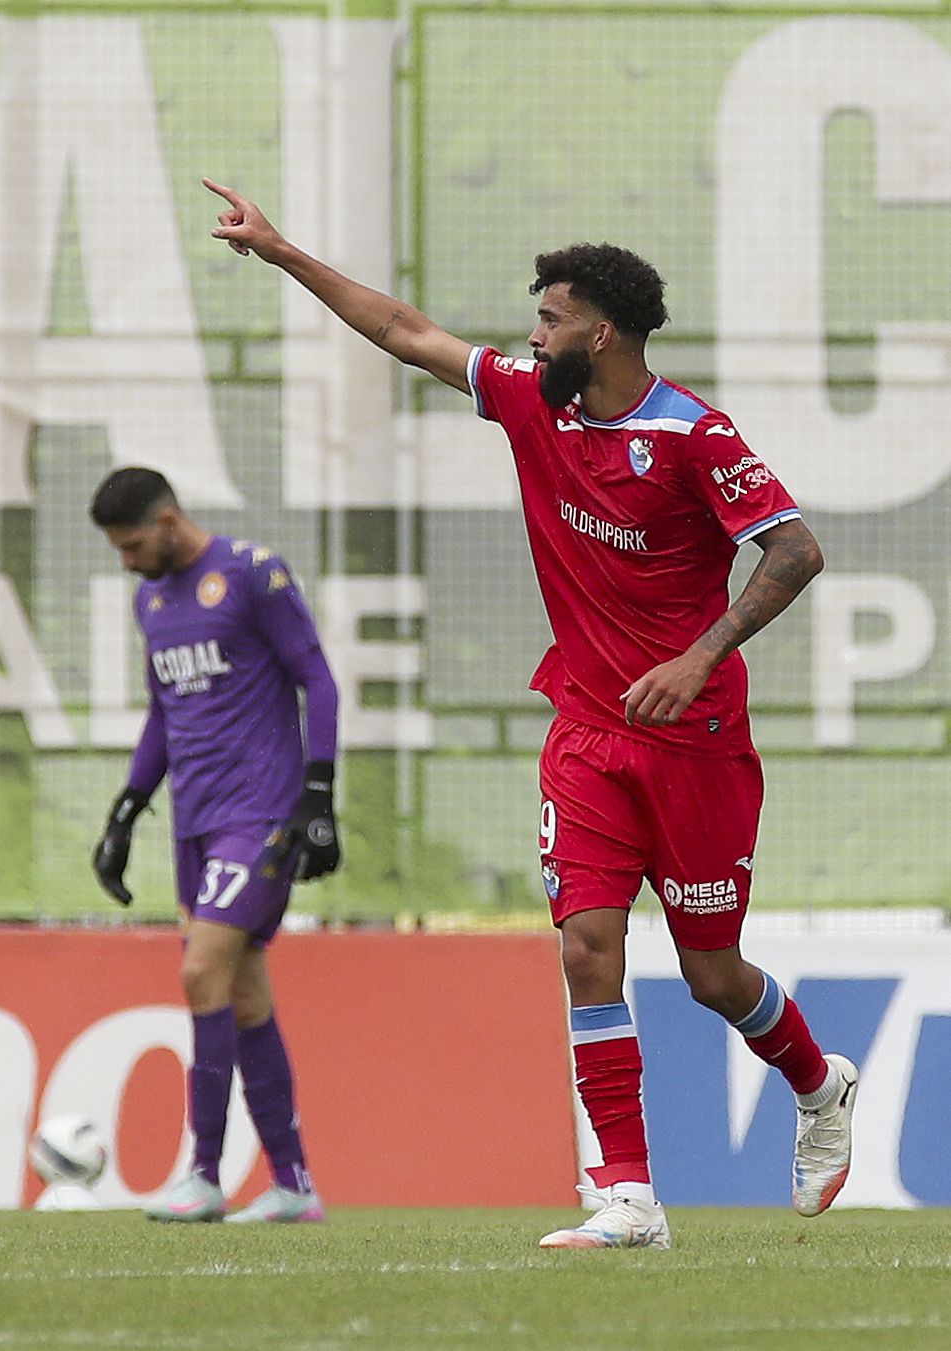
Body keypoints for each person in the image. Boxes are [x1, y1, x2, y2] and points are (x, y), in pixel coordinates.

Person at [201, 179, 857, 1250]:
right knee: (588, 949)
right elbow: (403, 329)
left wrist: (699, 656)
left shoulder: (693, 434)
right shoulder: (530, 398)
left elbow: (796, 549)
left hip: (695, 742)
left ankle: (818, 1084)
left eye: (549, 318)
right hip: (587, 733)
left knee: (712, 975)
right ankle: (629, 1195)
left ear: (602, 332)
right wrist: (280, 251)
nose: (531, 334)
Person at [89, 467, 341, 1224]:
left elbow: (318, 680)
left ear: (169, 521)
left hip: (261, 815)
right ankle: (293, 1184)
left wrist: (319, 795)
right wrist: (126, 813)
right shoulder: (151, 601)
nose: (127, 562)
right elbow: (163, 715)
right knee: (242, 992)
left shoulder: (252, 574)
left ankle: (202, 1173)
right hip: (194, 824)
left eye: (134, 545)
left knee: (200, 971)